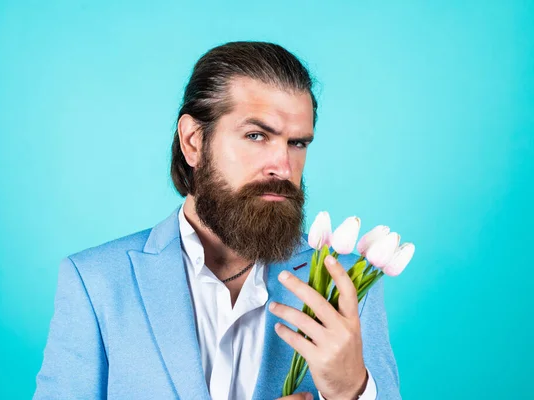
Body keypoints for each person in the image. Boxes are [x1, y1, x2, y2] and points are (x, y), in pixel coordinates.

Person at [33, 41, 401, 400]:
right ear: (193, 141)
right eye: (256, 136)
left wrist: (352, 392)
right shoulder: (96, 282)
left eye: (298, 143)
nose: (284, 166)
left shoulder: (346, 286)